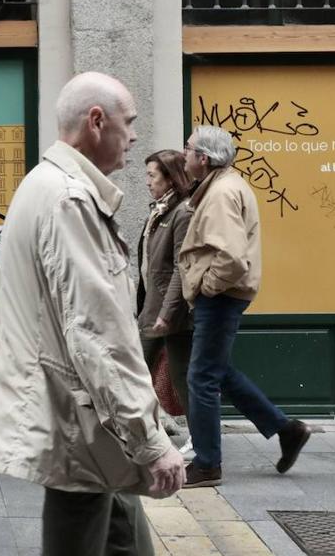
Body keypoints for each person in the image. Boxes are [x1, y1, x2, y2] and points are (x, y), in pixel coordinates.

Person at [0, 71, 185, 556]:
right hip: (81, 421)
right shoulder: (69, 199)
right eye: (129, 122)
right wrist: (149, 438)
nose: (135, 136)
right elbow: (97, 333)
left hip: (89, 420)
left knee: (124, 536)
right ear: (97, 121)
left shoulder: (49, 186)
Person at [178, 125, 311, 488]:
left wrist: (206, 286)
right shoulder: (222, 186)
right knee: (217, 371)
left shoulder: (220, 193)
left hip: (220, 297)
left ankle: (206, 463)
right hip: (225, 296)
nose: (184, 154)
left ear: (203, 159)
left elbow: (233, 258)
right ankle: (286, 429)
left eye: (188, 148)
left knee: (201, 377)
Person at [137, 150, 195, 455]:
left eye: (152, 175)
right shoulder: (161, 209)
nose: (147, 181)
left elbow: (180, 268)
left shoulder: (182, 213)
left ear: (170, 178)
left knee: (178, 375)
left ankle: (199, 439)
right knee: (141, 370)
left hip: (168, 312)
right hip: (154, 306)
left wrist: (168, 312)